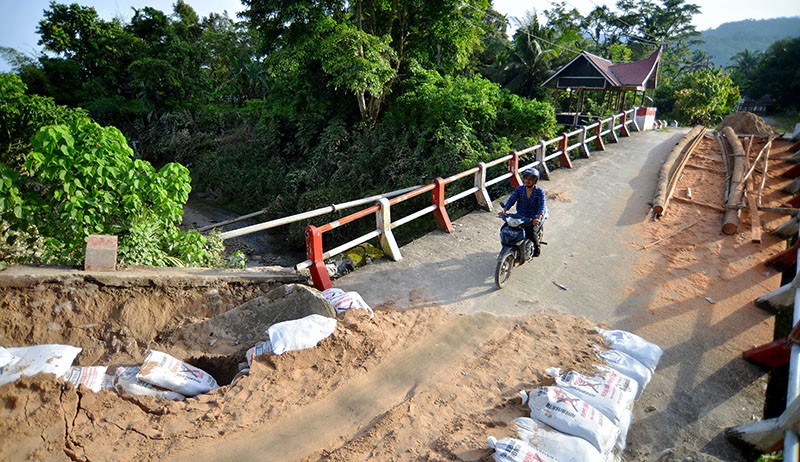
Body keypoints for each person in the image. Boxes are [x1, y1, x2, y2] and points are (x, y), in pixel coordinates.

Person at [499, 168, 546, 257]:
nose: (527, 181)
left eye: (530, 179)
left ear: (535, 181)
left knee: (532, 234)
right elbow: (511, 200)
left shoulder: (540, 192)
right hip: (520, 215)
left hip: (532, 217)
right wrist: (504, 210)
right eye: (526, 178)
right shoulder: (519, 189)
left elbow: (541, 207)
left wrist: (537, 219)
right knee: (506, 229)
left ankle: (537, 248)